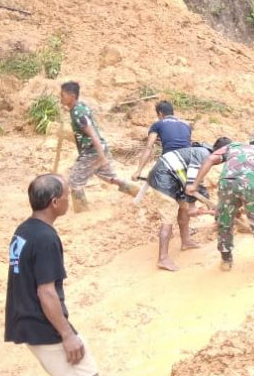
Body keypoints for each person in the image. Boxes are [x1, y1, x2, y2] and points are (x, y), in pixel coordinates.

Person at [6, 174, 98, 376]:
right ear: (55, 202)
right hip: (43, 326)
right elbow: (46, 292)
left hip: (27, 320)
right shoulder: (45, 238)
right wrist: (67, 334)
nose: (69, 197)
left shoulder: (23, 230)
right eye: (67, 194)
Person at [189, 137, 254, 276]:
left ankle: (226, 260)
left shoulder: (234, 146)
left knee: (224, 221)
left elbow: (210, 159)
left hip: (227, 183)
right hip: (252, 183)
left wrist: (194, 185)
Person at [59, 81, 138, 211]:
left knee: (74, 181)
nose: (60, 98)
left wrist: (102, 157)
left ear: (72, 96)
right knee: (110, 177)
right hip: (98, 149)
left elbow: (92, 134)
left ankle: (82, 211)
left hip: (92, 151)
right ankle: (138, 192)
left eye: (63, 95)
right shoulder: (79, 107)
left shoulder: (78, 113)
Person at [144, 143, 216, 271]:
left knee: (183, 208)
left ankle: (186, 241)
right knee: (168, 218)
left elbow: (197, 183)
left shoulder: (202, 153)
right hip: (163, 179)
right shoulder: (205, 155)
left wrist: (203, 205)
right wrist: (195, 206)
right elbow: (192, 182)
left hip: (174, 179)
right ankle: (163, 259)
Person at [131, 100, 192, 181]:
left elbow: (149, 147)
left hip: (170, 158)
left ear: (160, 113)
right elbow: (187, 143)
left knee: (152, 178)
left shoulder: (158, 124)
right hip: (189, 160)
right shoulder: (186, 125)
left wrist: (138, 171)